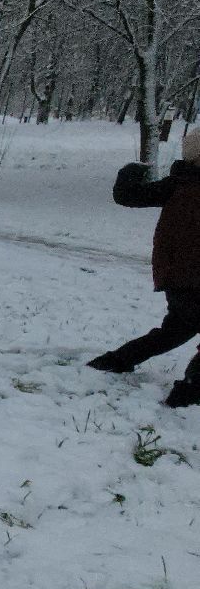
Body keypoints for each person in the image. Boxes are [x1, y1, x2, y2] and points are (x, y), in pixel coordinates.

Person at [88, 129, 200, 408]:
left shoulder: (177, 184)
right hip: (189, 275)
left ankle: (116, 360)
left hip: (176, 275)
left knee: (176, 330)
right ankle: (188, 393)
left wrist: (129, 174)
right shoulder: (181, 185)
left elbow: (129, 195)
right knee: (177, 329)